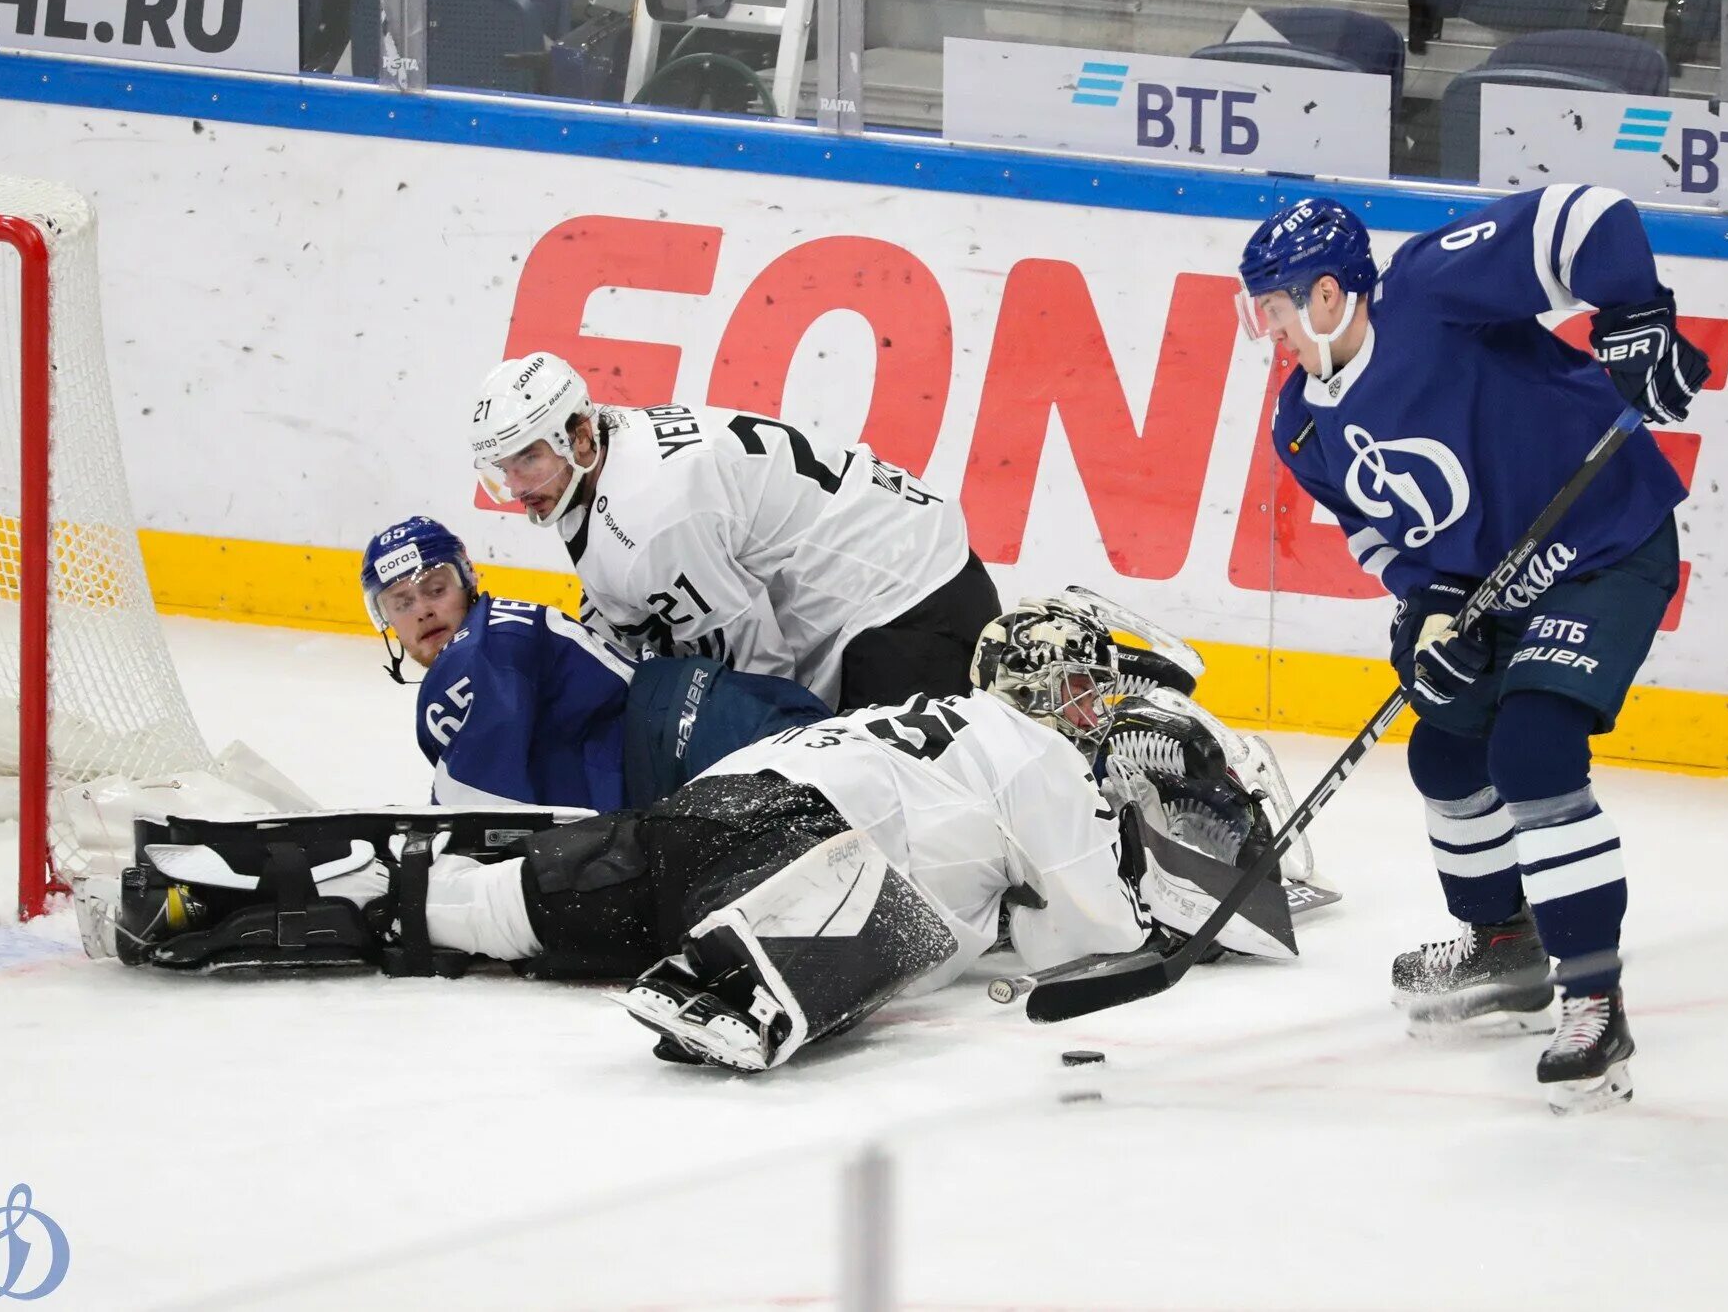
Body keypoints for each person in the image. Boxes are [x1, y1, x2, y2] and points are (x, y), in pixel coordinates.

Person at [91, 601, 1304, 1070]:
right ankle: (748, 963)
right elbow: (1084, 944)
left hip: (695, 817)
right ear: (1052, 696)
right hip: (795, 846)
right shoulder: (1035, 755)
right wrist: (1148, 898)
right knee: (905, 913)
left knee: (487, 913)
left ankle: (201, 899)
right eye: (1087, 694)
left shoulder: (920, 716)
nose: (1097, 717)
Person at [1237, 184, 1710, 1114]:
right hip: (1495, 586)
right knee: (1445, 750)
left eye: (1278, 308)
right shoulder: (1302, 422)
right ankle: (1507, 945)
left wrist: (1636, 314)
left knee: (1534, 750)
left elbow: (1587, 216)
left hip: (1606, 544)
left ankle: (1592, 995)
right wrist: (1429, 609)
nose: (1272, 331)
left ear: (1328, 295)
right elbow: (1379, 534)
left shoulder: (1429, 288)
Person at [466, 353, 1001, 710]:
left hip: (909, 601)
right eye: (504, 468)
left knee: (887, 807)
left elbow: (761, 671)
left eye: (529, 458)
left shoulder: (649, 514)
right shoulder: (602, 459)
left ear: (579, 435)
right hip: (904, 565)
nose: (515, 485)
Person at [361, 515, 830, 812]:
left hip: (698, 752)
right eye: (402, 602)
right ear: (386, 621)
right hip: (724, 715)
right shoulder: (501, 631)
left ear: (466, 582)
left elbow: (475, 818)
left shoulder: (474, 655)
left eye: (435, 589)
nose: (422, 609)